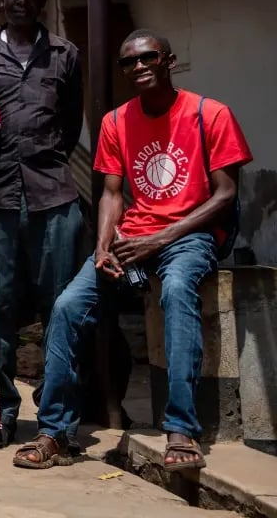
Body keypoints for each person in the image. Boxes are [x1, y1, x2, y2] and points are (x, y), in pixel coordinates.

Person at [13, 30, 251, 472]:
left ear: (169, 61)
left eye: (148, 58)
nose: (139, 67)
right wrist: (104, 247)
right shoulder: (116, 121)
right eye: (129, 63)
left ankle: (180, 428)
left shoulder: (209, 114)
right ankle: (55, 433)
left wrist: (160, 239)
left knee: (178, 290)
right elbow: (110, 194)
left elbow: (225, 195)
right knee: (67, 307)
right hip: (131, 238)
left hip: (189, 236)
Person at [0, 0, 83, 443]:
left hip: (55, 196)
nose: (22, 0)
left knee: (62, 308)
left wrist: (46, 161)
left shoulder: (65, 55)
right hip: (0, 201)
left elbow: (70, 125)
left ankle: (57, 421)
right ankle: (4, 410)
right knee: (1, 309)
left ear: (43, 0)